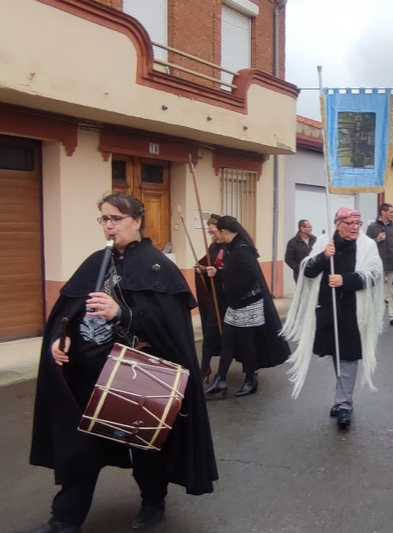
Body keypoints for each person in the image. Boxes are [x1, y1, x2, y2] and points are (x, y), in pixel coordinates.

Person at [28, 193, 217, 533]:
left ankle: (152, 501)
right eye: (104, 218)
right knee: (80, 446)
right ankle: (65, 518)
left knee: (143, 447)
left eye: (115, 218)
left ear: (137, 221)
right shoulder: (94, 262)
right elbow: (68, 311)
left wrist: (122, 313)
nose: (109, 225)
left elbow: (169, 327)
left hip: (136, 374)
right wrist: (62, 335)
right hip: (87, 373)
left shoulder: (157, 266)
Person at [280, 208, 384, 430]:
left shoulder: (367, 245)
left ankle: (344, 404)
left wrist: (345, 280)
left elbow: (375, 274)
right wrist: (323, 256)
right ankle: (342, 395)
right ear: (338, 224)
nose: (356, 227)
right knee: (337, 353)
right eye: (351, 223)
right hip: (327, 307)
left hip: (353, 310)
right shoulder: (324, 243)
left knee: (348, 355)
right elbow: (307, 271)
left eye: (358, 222)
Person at [204, 216, 290, 398]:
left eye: (217, 232)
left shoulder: (242, 249)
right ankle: (221, 380)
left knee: (246, 342)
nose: (216, 236)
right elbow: (232, 272)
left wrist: (229, 288)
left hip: (248, 303)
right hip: (236, 303)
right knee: (227, 340)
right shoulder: (233, 247)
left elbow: (251, 276)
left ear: (225, 231)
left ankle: (251, 380)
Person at [195, 214, 227, 382]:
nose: (213, 236)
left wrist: (218, 272)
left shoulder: (231, 246)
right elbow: (210, 264)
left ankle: (249, 367)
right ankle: (205, 367)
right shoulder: (214, 246)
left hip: (230, 299)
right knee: (209, 333)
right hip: (216, 299)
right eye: (210, 233)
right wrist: (203, 269)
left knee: (232, 336)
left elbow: (235, 270)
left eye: (214, 232)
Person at [366, 203, 393, 326]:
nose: (392, 214)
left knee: (392, 290)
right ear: (383, 212)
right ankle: (377, 317)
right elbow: (366, 245)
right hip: (378, 263)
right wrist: (377, 240)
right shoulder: (372, 227)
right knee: (377, 291)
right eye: (390, 212)